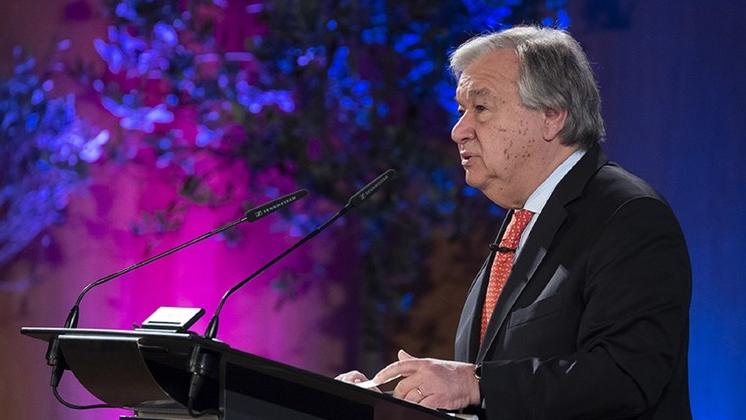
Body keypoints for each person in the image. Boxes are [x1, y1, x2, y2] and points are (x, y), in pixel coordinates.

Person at [336, 26, 692, 419]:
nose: (458, 131)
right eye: (461, 111)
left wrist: (475, 383)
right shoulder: (521, 220)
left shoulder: (629, 215)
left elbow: (626, 376)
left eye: (481, 108)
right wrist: (388, 398)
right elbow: (497, 390)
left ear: (552, 115)